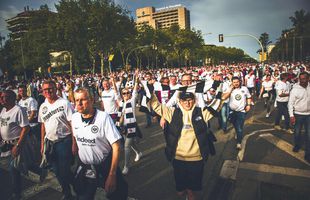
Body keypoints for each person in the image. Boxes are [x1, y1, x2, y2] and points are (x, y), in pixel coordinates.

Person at [149, 90, 221, 200]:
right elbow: (155, 105)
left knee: (192, 191)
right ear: (179, 102)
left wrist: (225, 92)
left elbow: (217, 105)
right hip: (179, 158)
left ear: (194, 100)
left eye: (190, 100)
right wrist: (150, 92)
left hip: (197, 158)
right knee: (180, 191)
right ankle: (185, 190)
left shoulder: (201, 112)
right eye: (184, 101)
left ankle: (190, 192)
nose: (187, 103)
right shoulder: (172, 112)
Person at [71, 87, 128, 200]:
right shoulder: (75, 117)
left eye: (83, 99)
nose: (79, 103)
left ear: (92, 100)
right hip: (85, 166)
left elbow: (116, 146)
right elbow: (75, 134)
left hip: (104, 165)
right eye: (76, 100)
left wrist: (112, 175)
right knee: (83, 196)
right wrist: (74, 146)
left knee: (118, 195)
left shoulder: (103, 117)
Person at [38, 80, 74, 200]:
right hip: (50, 143)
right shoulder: (43, 106)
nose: (48, 91)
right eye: (45, 89)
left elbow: (71, 123)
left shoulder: (64, 103)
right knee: (57, 170)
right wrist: (42, 144)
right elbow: (43, 125)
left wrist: (74, 142)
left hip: (64, 141)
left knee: (64, 169)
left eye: (50, 88)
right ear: (42, 92)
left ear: (55, 88)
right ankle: (67, 191)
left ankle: (78, 187)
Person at [0, 90, 30, 200]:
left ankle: (16, 194)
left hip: (16, 144)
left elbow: (26, 128)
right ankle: (40, 170)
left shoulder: (18, 110)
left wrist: (18, 145)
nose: (2, 99)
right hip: (5, 145)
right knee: (19, 167)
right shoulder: (3, 110)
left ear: (12, 98)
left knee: (14, 169)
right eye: (1, 97)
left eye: (5, 97)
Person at [116, 71, 143, 175]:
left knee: (127, 146)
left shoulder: (131, 101)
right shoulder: (121, 103)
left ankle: (126, 166)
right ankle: (138, 152)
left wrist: (136, 76)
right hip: (122, 127)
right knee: (130, 144)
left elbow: (136, 88)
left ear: (130, 94)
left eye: (127, 93)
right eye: (124, 93)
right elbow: (116, 92)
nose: (125, 94)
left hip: (131, 126)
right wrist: (114, 81)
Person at [288, 72, 310, 163]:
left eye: (304, 78)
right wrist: (291, 115)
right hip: (298, 114)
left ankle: (308, 155)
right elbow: (290, 103)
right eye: (300, 79)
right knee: (297, 132)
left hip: (309, 115)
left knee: (308, 135)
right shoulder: (295, 89)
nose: (302, 80)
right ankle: (297, 145)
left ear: (308, 79)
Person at [225, 77, 252, 150]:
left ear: (240, 82)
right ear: (232, 83)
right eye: (234, 82)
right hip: (232, 111)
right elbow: (224, 97)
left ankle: (239, 143)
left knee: (240, 128)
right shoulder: (230, 89)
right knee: (236, 125)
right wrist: (230, 89)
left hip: (241, 111)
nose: (236, 83)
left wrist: (248, 105)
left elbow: (249, 97)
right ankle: (237, 132)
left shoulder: (244, 89)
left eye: (237, 82)